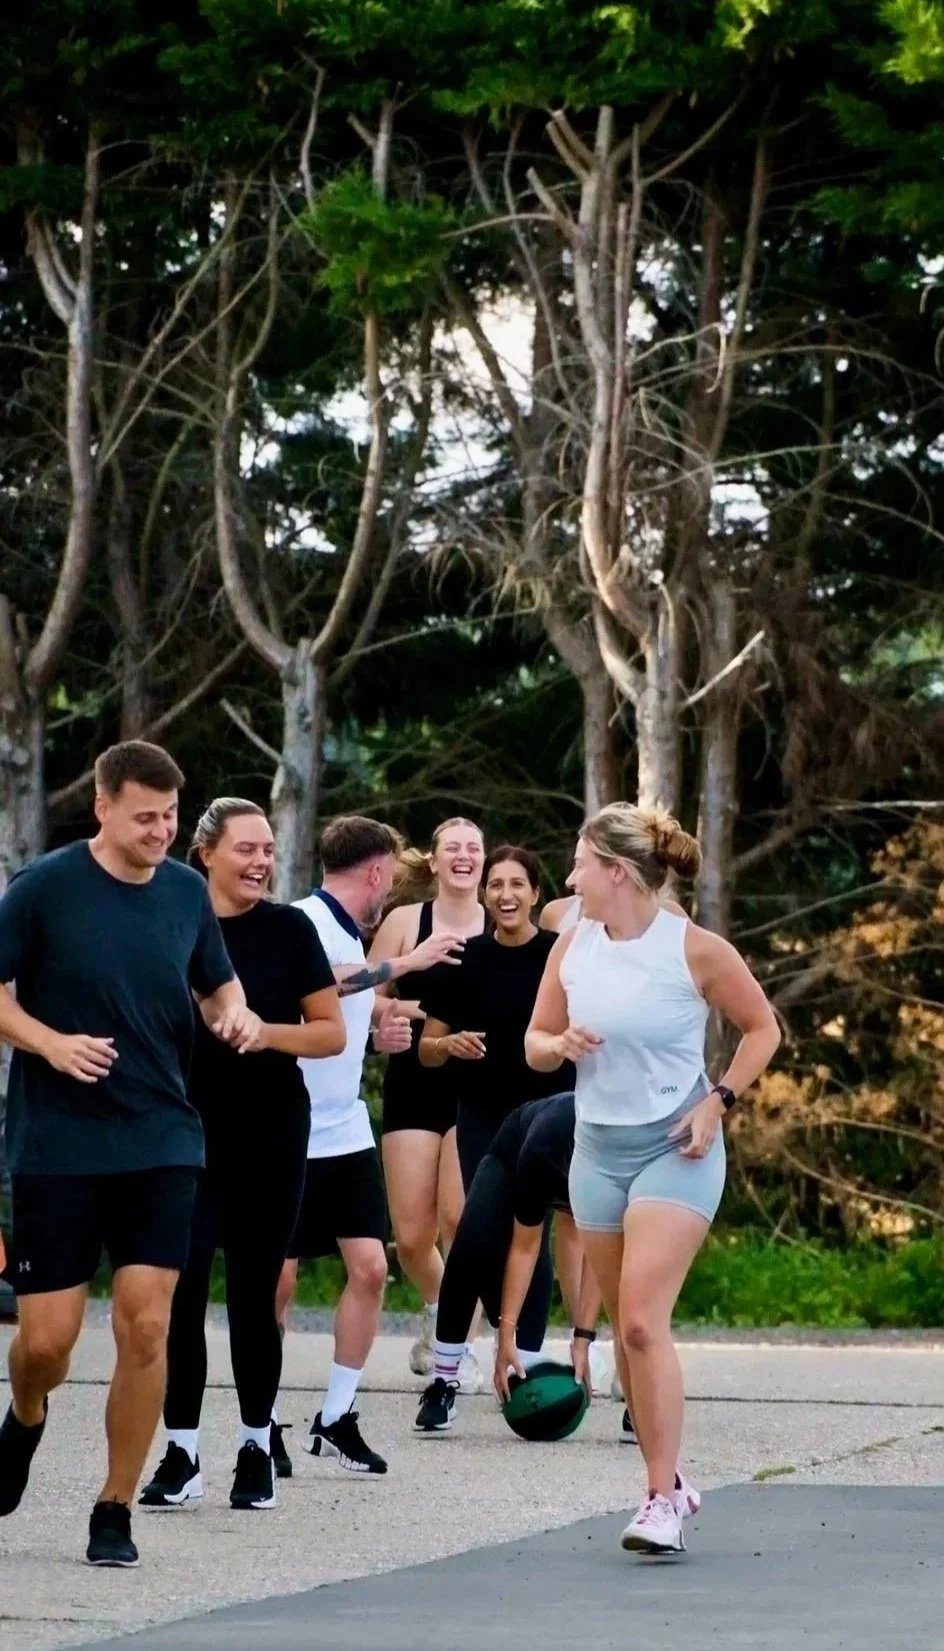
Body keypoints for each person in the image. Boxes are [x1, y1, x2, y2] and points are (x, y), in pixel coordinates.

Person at [0, 742, 257, 1568]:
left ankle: (114, 1505)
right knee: (47, 1340)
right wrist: (49, 1043)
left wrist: (236, 1015)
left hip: (162, 1135)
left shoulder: (186, 893)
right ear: (103, 807)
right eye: (145, 816)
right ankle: (28, 1413)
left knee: (147, 1322)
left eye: (170, 817)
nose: (160, 831)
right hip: (60, 1140)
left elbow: (217, 983)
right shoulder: (44, 888)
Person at [525, 802, 781, 1556]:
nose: (568, 877)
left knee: (640, 1320)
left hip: (678, 1146)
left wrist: (718, 1101)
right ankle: (667, 1478)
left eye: (578, 863)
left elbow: (763, 1028)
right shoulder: (572, 945)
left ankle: (660, 1497)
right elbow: (534, 1043)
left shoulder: (695, 949)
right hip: (596, 1152)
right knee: (626, 1334)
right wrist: (558, 1041)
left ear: (616, 871)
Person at [140, 800, 345, 1514]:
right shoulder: (170, 924)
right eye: (245, 849)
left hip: (270, 1132)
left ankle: (256, 1445)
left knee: (256, 1294)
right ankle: (182, 1450)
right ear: (206, 853)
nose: (260, 861)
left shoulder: (289, 930)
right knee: (180, 1291)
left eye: (267, 849)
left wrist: (264, 1031)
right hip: (184, 1134)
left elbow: (331, 1034)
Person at [274, 815, 463, 1476]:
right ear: (377, 872)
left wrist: (381, 1022)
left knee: (372, 1267)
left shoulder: (350, 928)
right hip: (290, 1128)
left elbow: (349, 1002)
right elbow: (325, 983)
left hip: (345, 1125)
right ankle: (262, 1421)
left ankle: (336, 1414)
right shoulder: (301, 920)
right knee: (281, 1277)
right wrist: (406, 964)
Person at [370, 819, 486, 1384]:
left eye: (474, 849)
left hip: (478, 1081)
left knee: (459, 1217)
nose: (464, 857)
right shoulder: (403, 922)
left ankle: (455, 1342)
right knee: (413, 1236)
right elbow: (364, 994)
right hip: (414, 1076)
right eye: (453, 849)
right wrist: (403, 1015)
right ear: (435, 862)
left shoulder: (501, 919)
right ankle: (443, 1311)